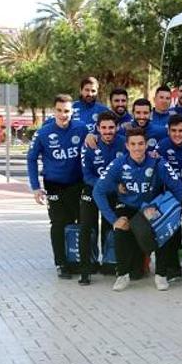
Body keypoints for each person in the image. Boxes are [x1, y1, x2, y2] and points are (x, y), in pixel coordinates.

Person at [93, 127, 182, 292]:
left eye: (141, 144)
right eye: (133, 144)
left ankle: (161, 275)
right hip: (127, 207)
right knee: (120, 230)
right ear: (127, 146)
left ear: (146, 145)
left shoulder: (159, 162)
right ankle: (122, 275)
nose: (137, 148)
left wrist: (166, 211)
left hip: (151, 208)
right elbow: (97, 191)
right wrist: (113, 220)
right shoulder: (118, 164)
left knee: (162, 229)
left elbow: (179, 188)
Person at [27, 94, 88, 279]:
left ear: (72, 112)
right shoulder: (43, 133)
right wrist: (36, 187)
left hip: (77, 184)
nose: (63, 115)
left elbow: (92, 150)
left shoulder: (81, 129)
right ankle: (61, 263)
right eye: (60, 111)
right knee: (59, 223)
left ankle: (79, 260)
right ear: (54, 111)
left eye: (67, 111)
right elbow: (31, 158)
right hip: (54, 185)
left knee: (79, 222)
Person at [78, 111, 125, 285]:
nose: (107, 131)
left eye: (111, 127)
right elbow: (86, 174)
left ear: (117, 128)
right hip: (92, 190)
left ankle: (109, 263)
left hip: (114, 193)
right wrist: (103, 186)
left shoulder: (123, 143)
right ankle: (86, 268)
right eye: (103, 128)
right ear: (97, 128)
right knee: (87, 228)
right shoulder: (89, 144)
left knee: (109, 227)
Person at [154, 114, 182, 282]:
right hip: (174, 194)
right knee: (171, 231)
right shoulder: (162, 146)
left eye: (181, 131)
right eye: (173, 131)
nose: (177, 134)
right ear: (168, 131)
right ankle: (173, 268)